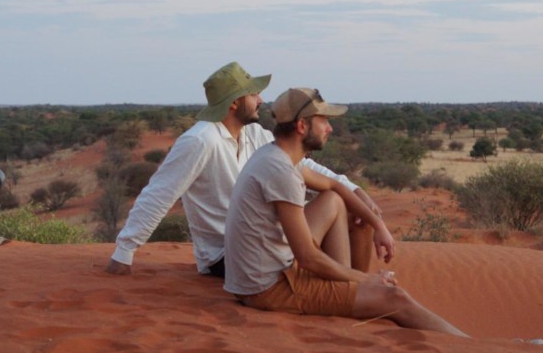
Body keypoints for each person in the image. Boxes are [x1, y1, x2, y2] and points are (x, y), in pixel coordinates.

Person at [223, 88, 467, 337]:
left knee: (334, 200)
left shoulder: (277, 155)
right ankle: (468, 344)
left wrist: (378, 225)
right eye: (324, 121)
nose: (329, 129)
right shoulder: (280, 171)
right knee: (396, 298)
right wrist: (366, 280)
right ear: (301, 126)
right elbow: (308, 258)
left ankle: (350, 288)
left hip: (268, 269)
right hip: (267, 288)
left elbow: (334, 185)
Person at [106, 62, 384, 277]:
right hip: (226, 256)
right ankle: (353, 290)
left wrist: (356, 189)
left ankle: (354, 289)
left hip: (266, 237)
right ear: (234, 102)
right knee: (336, 202)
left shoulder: (255, 135)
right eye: (253, 94)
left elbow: (303, 165)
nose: (261, 100)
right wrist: (125, 251)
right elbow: (159, 194)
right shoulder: (200, 140)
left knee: (355, 216)